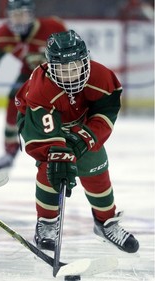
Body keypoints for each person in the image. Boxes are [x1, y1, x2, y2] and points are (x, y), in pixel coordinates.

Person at [15, 30, 139, 254]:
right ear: (50, 67)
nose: (70, 75)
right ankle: (47, 222)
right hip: (38, 122)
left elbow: (106, 111)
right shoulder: (41, 89)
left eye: (75, 67)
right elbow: (41, 138)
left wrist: (86, 138)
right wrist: (59, 154)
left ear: (85, 61)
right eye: (62, 69)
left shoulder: (102, 77)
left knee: (96, 164)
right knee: (52, 167)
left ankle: (105, 222)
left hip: (78, 121)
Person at [0, 0, 67, 173]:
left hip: (59, 77)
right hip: (29, 74)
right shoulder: (3, 33)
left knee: (61, 109)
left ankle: (65, 148)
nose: (18, 19)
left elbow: (73, 55)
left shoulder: (53, 27)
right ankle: (9, 152)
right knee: (14, 99)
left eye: (22, 14)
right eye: (14, 15)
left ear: (31, 14)